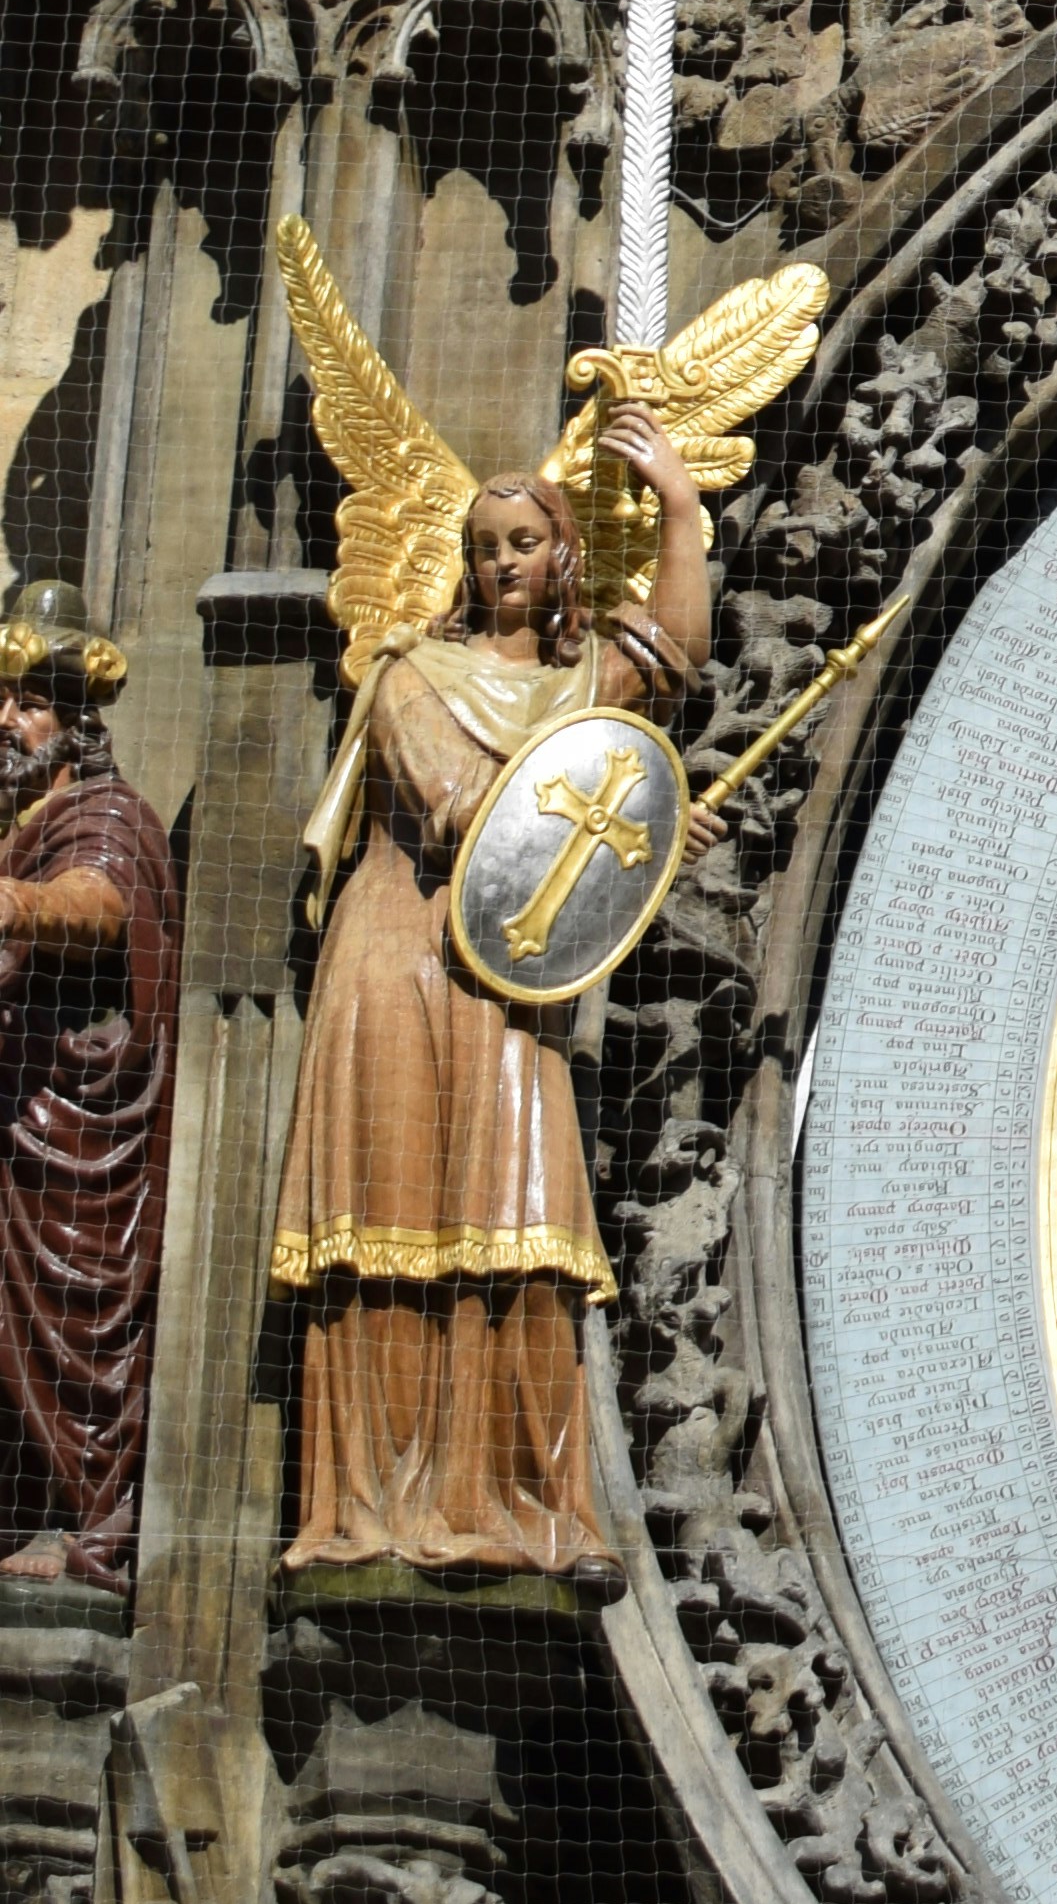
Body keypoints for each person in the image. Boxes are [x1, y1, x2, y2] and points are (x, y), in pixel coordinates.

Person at [269, 412, 705, 1582]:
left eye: (523, 542)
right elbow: (470, 812)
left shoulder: (580, 682)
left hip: (508, 981)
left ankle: (519, 1508)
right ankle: (376, 1508)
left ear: (563, 556)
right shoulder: (414, 675)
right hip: (402, 960)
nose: (502, 562)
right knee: (392, 1224)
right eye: (484, 546)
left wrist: (676, 504)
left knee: (525, 1224)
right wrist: (627, 812)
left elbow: (673, 650)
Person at [0, 580, 177, 1586]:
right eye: (1, 698)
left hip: (69, 1136)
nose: (5, 718)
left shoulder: (106, 813)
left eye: (28, 702)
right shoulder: (16, 818)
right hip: (14, 1114)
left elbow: (99, 903)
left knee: (63, 1334)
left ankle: (75, 1515)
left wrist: (16, 905)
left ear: (74, 723)